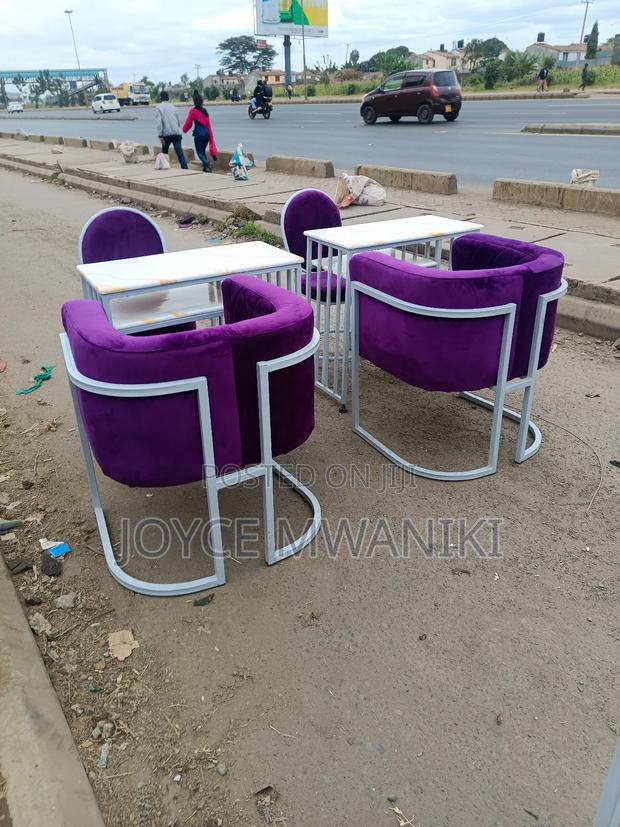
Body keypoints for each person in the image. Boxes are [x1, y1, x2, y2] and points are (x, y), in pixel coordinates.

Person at [182, 90, 218, 173]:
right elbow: (209, 125)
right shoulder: (205, 111)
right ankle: (205, 168)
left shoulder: (192, 111)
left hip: (199, 134)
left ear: (194, 101)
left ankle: (207, 163)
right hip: (207, 134)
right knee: (202, 150)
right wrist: (211, 138)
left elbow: (188, 124)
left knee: (199, 152)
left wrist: (184, 130)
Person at [155, 90, 188, 169]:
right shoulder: (173, 107)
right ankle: (185, 167)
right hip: (176, 133)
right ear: (168, 98)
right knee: (179, 152)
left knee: (164, 152)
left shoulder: (158, 107)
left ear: (160, 98)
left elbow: (159, 123)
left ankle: (165, 166)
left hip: (166, 134)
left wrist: (160, 135)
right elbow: (178, 121)